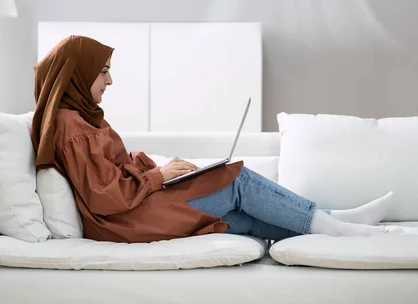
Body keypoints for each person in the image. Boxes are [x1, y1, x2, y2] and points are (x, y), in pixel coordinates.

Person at [30, 35, 394, 244]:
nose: (109, 82)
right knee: (238, 179)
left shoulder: (80, 119)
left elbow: (110, 170)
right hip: (126, 220)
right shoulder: (70, 125)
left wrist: (157, 167)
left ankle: (336, 225)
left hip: (132, 211)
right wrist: (158, 176)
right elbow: (104, 195)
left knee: (242, 218)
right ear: (77, 74)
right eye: (103, 72)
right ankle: (337, 225)